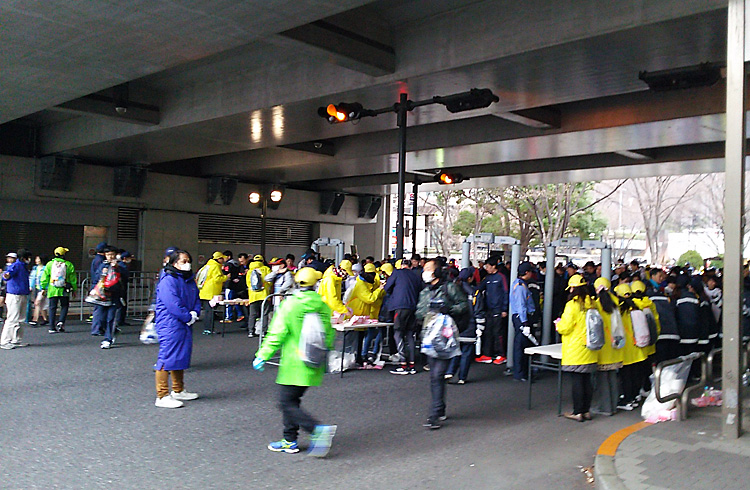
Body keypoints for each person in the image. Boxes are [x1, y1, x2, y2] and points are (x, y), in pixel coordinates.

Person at [252, 267, 337, 457]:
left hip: (294, 364)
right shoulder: (322, 306)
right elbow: (329, 335)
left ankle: (316, 430)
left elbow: (276, 334)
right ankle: (289, 440)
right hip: (313, 362)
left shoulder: (290, 305)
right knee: (291, 401)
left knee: (285, 402)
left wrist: (262, 355)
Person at [415, 259, 470, 429]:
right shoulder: (424, 292)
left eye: (428, 269)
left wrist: (448, 310)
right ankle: (439, 409)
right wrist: (428, 313)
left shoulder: (450, 288)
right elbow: (419, 312)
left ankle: (434, 414)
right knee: (435, 375)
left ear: (437, 272)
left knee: (438, 374)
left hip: (445, 337)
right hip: (429, 337)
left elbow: (464, 305)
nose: (425, 272)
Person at [153, 250, 201, 408]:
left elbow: (196, 299)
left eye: (188, 261)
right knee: (167, 356)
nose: (187, 264)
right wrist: (188, 316)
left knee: (180, 355)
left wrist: (194, 313)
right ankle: (162, 395)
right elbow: (172, 304)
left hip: (183, 321)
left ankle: (178, 389)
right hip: (170, 323)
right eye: (183, 261)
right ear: (174, 263)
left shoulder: (188, 279)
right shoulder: (168, 280)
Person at [555, 274, 597, 422]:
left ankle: (578, 412)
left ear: (573, 288)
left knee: (577, 380)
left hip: (576, 348)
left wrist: (558, 324)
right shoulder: (593, 303)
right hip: (591, 346)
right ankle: (586, 410)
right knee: (587, 380)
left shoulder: (572, 305)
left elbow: (565, 327)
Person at [591, 278, 624, 416]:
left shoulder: (596, 304)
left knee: (602, 379)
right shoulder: (616, 302)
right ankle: (613, 405)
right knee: (612, 377)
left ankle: (605, 407)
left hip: (602, 346)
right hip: (615, 346)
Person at [613, 283, 648, 411]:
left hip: (625, 349)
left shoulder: (619, 310)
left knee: (626, 376)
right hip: (638, 347)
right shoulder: (637, 306)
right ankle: (634, 397)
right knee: (635, 374)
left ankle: (627, 400)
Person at [385, 259, 423, 375]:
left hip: (400, 306)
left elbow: (387, 288)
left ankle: (403, 363)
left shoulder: (397, 273)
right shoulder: (416, 276)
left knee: (398, 333)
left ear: (402, 266)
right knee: (410, 334)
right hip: (413, 307)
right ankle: (412, 364)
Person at [446, 267, 480, 384]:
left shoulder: (453, 290)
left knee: (455, 351)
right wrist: (480, 328)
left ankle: (450, 372)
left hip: (455, 326)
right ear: (470, 278)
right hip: (470, 326)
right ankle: (462, 377)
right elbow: (478, 311)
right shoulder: (475, 293)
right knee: (466, 353)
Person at [475, 256, 509, 365]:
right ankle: (487, 355)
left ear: (494, 266)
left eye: (488, 266)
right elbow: (479, 288)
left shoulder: (501, 277)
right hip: (489, 309)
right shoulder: (487, 278)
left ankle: (502, 355)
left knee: (498, 332)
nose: (486, 268)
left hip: (498, 309)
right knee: (488, 332)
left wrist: (504, 309)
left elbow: (506, 292)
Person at [39, 246, 77, 334]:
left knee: (52, 307)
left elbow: (44, 277)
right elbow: (73, 279)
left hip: (52, 289)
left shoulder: (50, 264)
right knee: (64, 306)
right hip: (64, 289)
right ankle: (61, 322)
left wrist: (43, 287)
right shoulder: (69, 265)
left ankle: (51, 327)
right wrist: (74, 289)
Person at [509, 262, 537, 381]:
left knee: (523, 345)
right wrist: (525, 323)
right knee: (521, 347)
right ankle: (520, 373)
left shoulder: (519, 284)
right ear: (526, 272)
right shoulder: (521, 287)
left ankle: (522, 372)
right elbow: (521, 306)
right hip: (522, 318)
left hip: (520, 318)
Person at [97, 247, 126, 349]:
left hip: (115, 295)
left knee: (110, 318)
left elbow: (126, 276)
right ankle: (114, 331)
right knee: (101, 318)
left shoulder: (120, 265)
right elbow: (96, 277)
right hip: (103, 295)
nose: (111, 257)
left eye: (112, 254)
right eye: (108, 255)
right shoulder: (103, 265)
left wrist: (117, 268)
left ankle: (107, 339)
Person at [1, 252, 31, 349]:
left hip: (22, 294)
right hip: (14, 295)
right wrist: (6, 275)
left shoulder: (23, 266)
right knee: (12, 318)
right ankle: (5, 341)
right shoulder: (17, 265)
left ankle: (16, 340)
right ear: (24, 258)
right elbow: (7, 274)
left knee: (21, 319)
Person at [197, 251, 226, 335]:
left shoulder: (207, 265)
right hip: (211, 292)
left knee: (207, 311)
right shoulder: (215, 266)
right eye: (222, 258)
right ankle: (209, 329)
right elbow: (217, 279)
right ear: (218, 259)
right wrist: (226, 277)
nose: (223, 260)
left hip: (204, 291)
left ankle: (207, 328)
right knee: (210, 312)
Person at [245, 254, 272, 337]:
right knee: (264, 313)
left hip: (253, 295)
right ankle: (263, 331)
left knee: (252, 314)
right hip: (264, 295)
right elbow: (270, 281)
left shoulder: (250, 271)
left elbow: (248, 283)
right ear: (263, 261)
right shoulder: (266, 269)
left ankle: (251, 331)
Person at [221, 250, 245, 323]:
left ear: (229, 257)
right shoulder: (236, 263)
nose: (223, 259)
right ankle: (240, 314)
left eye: (224, 257)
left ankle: (228, 317)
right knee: (235, 300)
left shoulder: (228, 264)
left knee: (228, 301)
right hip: (236, 285)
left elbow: (226, 273)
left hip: (229, 284)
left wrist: (222, 270)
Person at [29, 255, 49, 326]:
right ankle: (45, 319)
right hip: (37, 288)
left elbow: (47, 279)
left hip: (43, 288)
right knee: (42, 304)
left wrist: (45, 288)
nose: (36, 260)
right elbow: (32, 278)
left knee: (37, 303)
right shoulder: (35, 268)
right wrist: (30, 286)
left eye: (38, 259)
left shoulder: (46, 268)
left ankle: (35, 320)